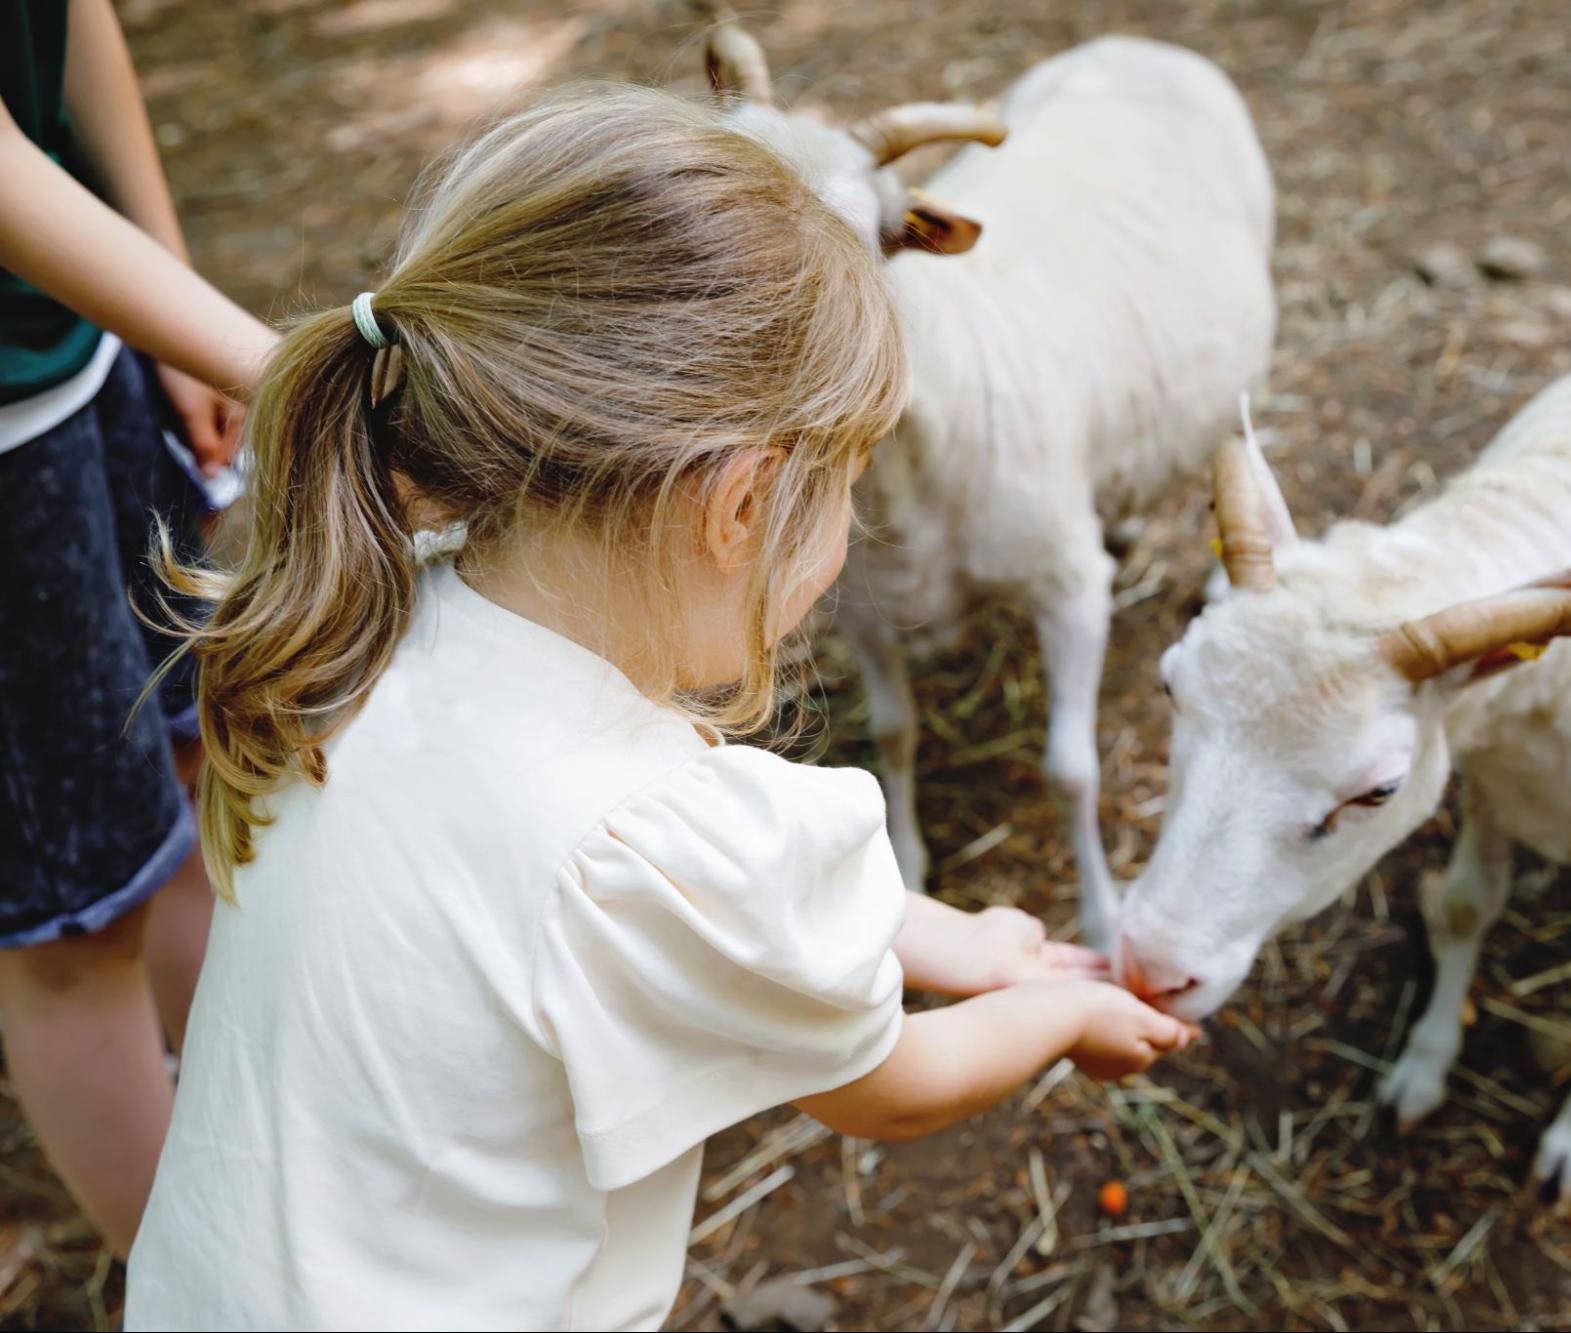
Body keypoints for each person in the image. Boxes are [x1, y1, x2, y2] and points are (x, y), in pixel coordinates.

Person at [124, 84, 1195, 1329]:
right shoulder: (647, 831)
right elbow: (894, 1086)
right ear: (740, 508)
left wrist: (957, 939)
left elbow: (666, 888)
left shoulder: (360, 624)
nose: (851, 528)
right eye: (849, 482)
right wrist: (1056, 1007)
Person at [0, 0, 276, 1257]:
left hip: (81, 339)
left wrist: (170, 306)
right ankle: (213, 1284)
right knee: (77, 921)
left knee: (187, 770)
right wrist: (283, 365)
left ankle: (285, 1184)